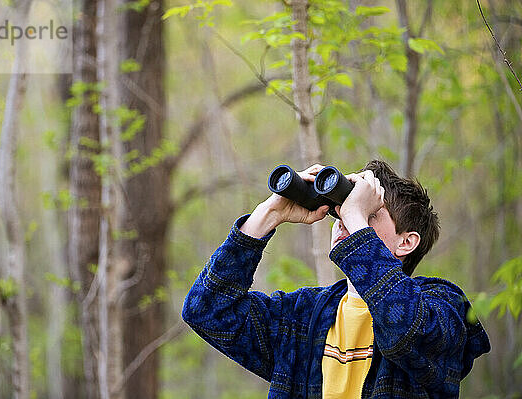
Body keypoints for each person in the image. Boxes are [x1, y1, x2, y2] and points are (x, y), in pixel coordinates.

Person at [182, 160, 490, 399]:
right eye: (343, 209)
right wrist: (269, 213)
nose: (344, 217)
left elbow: (404, 329)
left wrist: (356, 217)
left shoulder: (443, 305)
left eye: (371, 213)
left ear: (406, 242)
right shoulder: (303, 316)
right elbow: (207, 311)